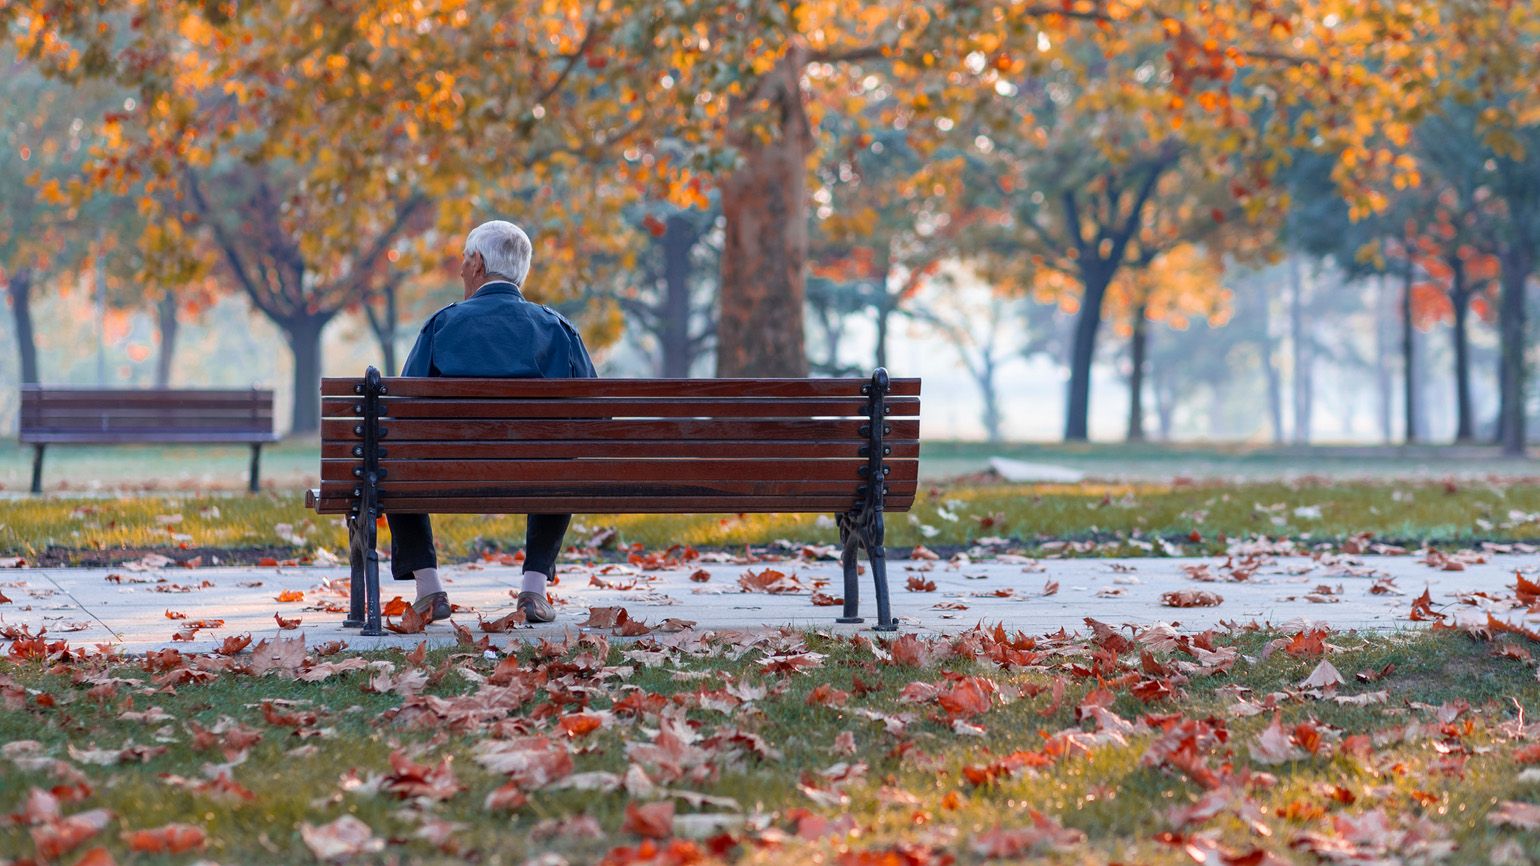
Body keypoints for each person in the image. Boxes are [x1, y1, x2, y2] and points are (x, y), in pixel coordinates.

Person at [388, 220, 597, 624]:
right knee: (560, 459)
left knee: (391, 462)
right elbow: (593, 417)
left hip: (445, 474)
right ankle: (533, 590)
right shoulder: (557, 329)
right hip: (539, 474)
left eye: (465, 261)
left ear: (478, 263)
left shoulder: (442, 325)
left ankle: (429, 589)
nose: (462, 270)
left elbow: (402, 413)